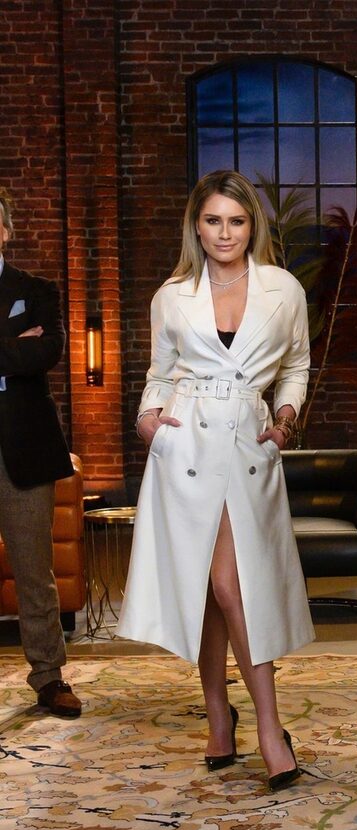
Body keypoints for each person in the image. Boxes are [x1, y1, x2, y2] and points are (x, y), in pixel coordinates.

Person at [117, 170, 312, 790]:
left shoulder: (283, 289)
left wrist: (285, 420)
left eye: (236, 221)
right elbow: (159, 372)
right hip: (185, 446)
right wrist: (147, 422)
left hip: (250, 445)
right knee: (211, 586)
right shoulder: (172, 294)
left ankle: (261, 725)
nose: (224, 233)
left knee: (232, 584)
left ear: (252, 226)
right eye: (212, 221)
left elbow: (297, 364)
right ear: (195, 227)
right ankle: (230, 717)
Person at [0, 188, 80, 718]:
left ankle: (49, 677)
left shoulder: (37, 290)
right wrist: (12, 344)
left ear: (5, 230)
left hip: (24, 447)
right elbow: (22, 354)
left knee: (34, 569)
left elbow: (47, 350)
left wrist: (27, 349)